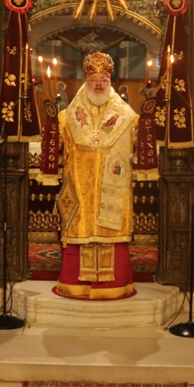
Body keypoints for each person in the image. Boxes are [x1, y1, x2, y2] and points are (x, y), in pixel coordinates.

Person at [55, 52, 138, 300]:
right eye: (93, 79)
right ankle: (75, 283)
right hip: (80, 187)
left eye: (103, 79)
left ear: (110, 82)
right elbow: (59, 147)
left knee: (110, 230)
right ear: (86, 81)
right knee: (80, 227)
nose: (98, 83)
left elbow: (137, 146)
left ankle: (114, 283)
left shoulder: (128, 117)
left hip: (111, 187)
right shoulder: (67, 116)